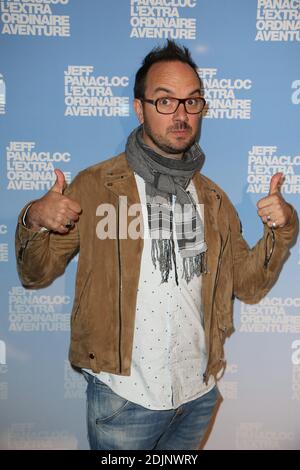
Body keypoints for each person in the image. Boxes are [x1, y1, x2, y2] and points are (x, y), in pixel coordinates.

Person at [15, 40, 298, 451]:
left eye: (192, 101)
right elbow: (35, 272)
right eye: (165, 101)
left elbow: (250, 285)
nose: (181, 115)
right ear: (139, 108)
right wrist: (33, 219)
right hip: (123, 399)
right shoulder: (97, 187)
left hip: (196, 395)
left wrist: (283, 228)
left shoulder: (214, 200)